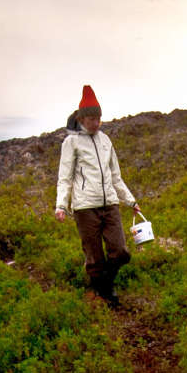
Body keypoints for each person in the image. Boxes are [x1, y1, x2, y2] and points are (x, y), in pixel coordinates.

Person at [54, 85, 140, 308]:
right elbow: (65, 177)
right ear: (81, 118)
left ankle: (103, 287)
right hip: (84, 207)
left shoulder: (105, 141)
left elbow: (116, 176)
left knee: (120, 251)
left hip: (110, 204)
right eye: (91, 118)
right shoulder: (71, 142)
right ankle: (104, 293)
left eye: (98, 118)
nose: (95, 122)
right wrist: (61, 205)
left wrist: (130, 200)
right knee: (94, 258)